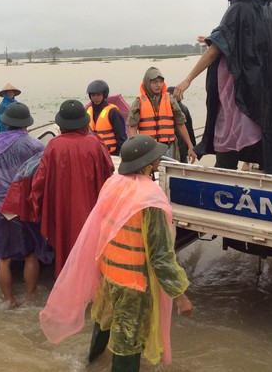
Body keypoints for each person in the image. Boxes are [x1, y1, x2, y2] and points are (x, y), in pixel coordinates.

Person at [40, 135, 193, 371]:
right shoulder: (149, 198)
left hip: (109, 273)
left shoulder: (112, 184)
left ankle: (90, 362)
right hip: (133, 283)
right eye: (155, 158)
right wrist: (180, 295)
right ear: (148, 164)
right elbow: (160, 254)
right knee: (127, 339)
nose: (158, 162)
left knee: (105, 321)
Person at [172, 0, 272, 175]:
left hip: (243, 91)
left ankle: (224, 174)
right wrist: (213, 38)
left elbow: (218, 49)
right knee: (267, 134)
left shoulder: (239, 7)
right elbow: (252, 42)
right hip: (268, 92)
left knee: (227, 133)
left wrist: (188, 79)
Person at [31, 99, 114, 277]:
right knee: (92, 255)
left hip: (62, 212)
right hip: (91, 211)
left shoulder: (54, 145)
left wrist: (38, 210)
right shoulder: (95, 143)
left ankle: (65, 292)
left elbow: (39, 181)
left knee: (64, 253)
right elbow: (109, 174)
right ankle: (92, 296)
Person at [0, 102, 53, 307]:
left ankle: (9, 300)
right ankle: (31, 298)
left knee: (3, 258)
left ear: (5, 123)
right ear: (25, 124)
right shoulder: (34, 145)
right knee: (30, 254)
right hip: (22, 205)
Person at [127, 67, 196, 163]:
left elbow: (181, 124)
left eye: (160, 82)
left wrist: (190, 146)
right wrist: (135, 148)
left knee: (169, 174)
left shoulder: (170, 99)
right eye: (155, 82)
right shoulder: (138, 102)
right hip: (148, 149)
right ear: (147, 83)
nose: (158, 85)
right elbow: (133, 128)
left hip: (168, 147)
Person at [86, 80, 127, 155]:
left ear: (104, 95)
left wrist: (120, 153)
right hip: (95, 153)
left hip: (112, 153)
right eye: (93, 95)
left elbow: (121, 136)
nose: (95, 97)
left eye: (98, 94)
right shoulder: (88, 112)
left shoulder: (113, 112)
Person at [167, 86, 197, 164]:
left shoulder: (169, 108)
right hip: (182, 144)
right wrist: (192, 147)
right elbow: (190, 130)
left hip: (172, 144)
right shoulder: (184, 108)